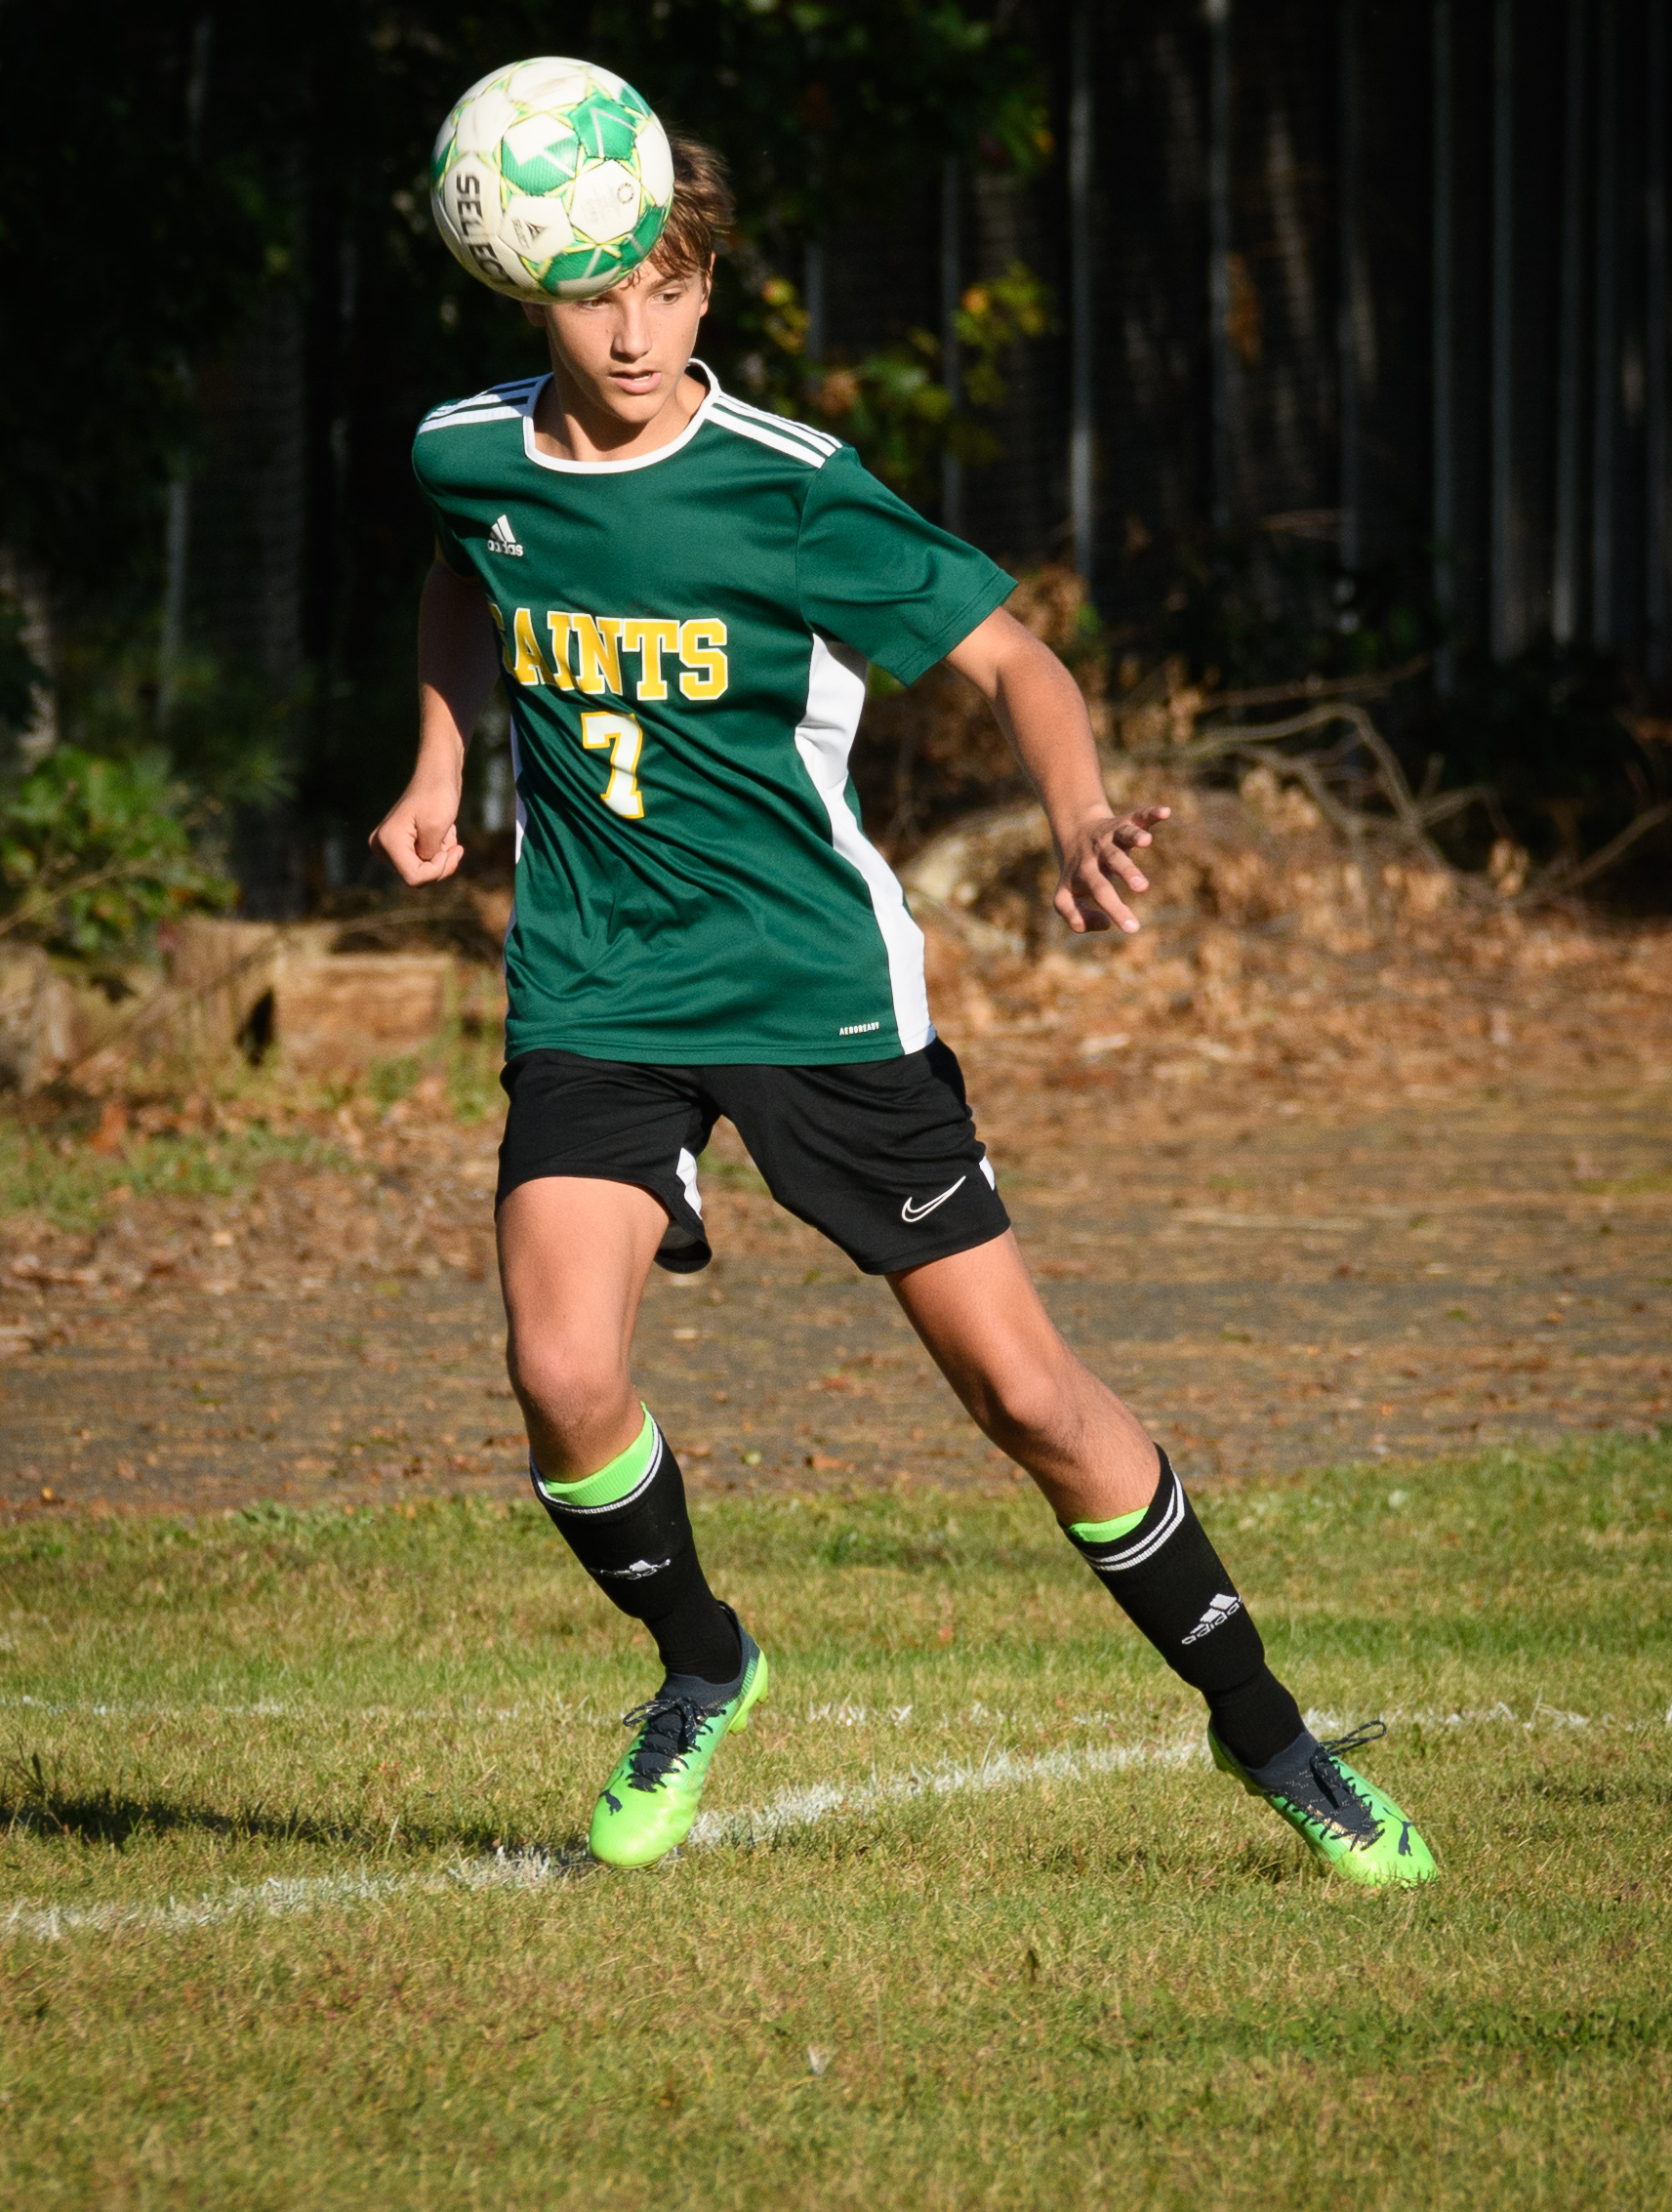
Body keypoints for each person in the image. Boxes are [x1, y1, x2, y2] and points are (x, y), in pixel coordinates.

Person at [374, 128, 1436, 1888]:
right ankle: (703, 1662)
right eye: (595, 294)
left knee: (1024, 1397)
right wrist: (437, 757)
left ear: (706, 286)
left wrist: (1082, 816)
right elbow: (458, 570)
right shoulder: (468, 452)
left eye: (668, 287)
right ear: (527, 288)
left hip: (814, 995)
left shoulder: (788, 484)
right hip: (597, 983)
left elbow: (1017, 658)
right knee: (562, 1372)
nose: (636, 332)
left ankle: (1272, 1734)